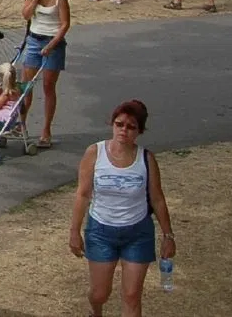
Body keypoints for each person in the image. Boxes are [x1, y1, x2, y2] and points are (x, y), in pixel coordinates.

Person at [69, 100, 175, 317]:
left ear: (140, 131)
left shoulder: (147, 159)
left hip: (138, 233)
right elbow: (82, 194)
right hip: (100, 231)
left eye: (130, 127)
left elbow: (157, 199)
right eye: (119, 124)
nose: (123, 130)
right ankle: (95, 310)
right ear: (112, 124)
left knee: (132, 295)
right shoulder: (94, 153)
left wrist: (168, 235)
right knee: (100, 293)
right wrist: (74, 231)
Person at [19, 0, 69, 148]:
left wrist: (51, 45)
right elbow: (25, 15)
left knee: (48, 86)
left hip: (53, 42)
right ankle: (20, 124)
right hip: (34, 39)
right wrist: (33, 0)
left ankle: (46, 130)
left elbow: (64, 24)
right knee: (26, 86)